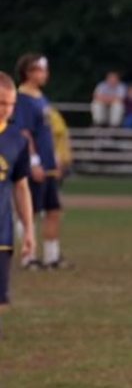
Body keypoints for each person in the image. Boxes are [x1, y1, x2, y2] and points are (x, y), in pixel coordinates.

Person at [12, 53, 71, 270]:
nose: (45, 74)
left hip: (49, 164)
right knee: (30, 212)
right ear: (28, 73)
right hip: (35, 163)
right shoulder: (23, 99)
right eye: (40, 70)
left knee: (53, 210)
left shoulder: (40, 97)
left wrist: (55, 157)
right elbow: (24, 133)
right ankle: (29, 257)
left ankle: (51, 256)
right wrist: (33, 161)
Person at [0, 71, 37, 335]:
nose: (6, 109)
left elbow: (21, 187)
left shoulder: (17, 140)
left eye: (11, 103)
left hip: (1, 233)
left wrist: (29, 231)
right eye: (1, 103)